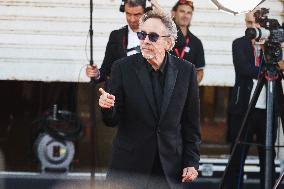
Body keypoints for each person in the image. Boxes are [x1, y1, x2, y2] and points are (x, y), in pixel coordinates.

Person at [98, 9, 201, 189]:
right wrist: (107, 106)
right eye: (142, 34)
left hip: (169, 169)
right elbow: (112, 120)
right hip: (129, 167)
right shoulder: (122, 68)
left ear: (168, 42)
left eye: (152, 37)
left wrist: (191, 162)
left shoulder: (186, 71)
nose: (145, 41)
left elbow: (191, 123)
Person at [226, 10, 277, 189]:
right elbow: (244, 69)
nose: (253, 27)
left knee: (268, 159)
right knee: (237, 158)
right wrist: (273, 68)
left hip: (267, 111)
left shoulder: (273, 46)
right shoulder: (239, 44)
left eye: (256, 23)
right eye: (249, 23)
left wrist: (267, 50)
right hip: (244, 110)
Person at [171, 0, 205, 83]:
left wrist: (189, 88)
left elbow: (199, 71)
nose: (185, 16)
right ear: (173, 13)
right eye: (182, 11)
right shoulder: (164, 38)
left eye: (189, 13)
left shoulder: (196, 42)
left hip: (185, 93)